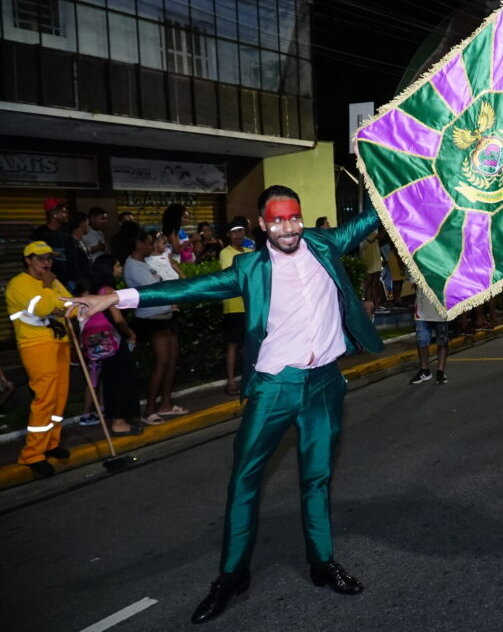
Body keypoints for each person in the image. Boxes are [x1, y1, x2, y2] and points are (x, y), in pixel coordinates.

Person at [67, 185, 384, 624]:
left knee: (318, 479)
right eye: (278, 221)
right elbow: (188, 288)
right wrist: (115, 297)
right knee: (245, 481)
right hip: (274, 388)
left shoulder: (325, 243)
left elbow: (378, 211)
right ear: (263, 224)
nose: (289, 228)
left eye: (294, 218)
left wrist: (417, 165)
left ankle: (321, 562)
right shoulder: (248, 268)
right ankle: (232, 577)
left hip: (325, 384)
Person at [5, 242, 73, 477]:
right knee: (45, 397)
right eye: (41, 258)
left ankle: (51, 443)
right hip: (35, 345)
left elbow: (71, 306)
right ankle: (32, 454)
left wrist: (55, 299)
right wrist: (48, 288)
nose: (46, 263)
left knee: (59, 396)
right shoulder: (18, 284)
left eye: (49, 259)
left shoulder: (51, 281)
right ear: (28, 260)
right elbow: (44, 308)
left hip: (60, 341)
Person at [124, 229, 185, 424]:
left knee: (171, 361)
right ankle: (149, 409)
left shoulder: (143, 263)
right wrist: (172, 301)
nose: (152, 246)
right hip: (152, 319)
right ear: (138, 244)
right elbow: (153, 292)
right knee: (162, 363)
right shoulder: (133, 266)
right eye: (149, 243)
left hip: (165, 316)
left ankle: (165, 404)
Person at [88, 255, 142, 435]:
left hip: (102, 344)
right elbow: (118, 319)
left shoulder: (95, 290)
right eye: (118, 266)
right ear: (109, 270)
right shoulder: (109, 291)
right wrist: (131, 334)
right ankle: (119, 422)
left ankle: (118, 419)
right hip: (116, 343)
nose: (120, 269)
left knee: (111, 380)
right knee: (122, 379)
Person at [219, 217, 252, 396]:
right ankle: (231, 381)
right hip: (234, 305)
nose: (238, 235)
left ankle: (249, 379)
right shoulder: (225, 253)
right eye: (234, 232)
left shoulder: (249, 251)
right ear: (228, 235)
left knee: (249, 344)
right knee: (233, 344)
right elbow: (232, 276)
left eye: (241, 231)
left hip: (251, 305)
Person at [409, 284, 449, 385]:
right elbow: (414, 283)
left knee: (442, 342)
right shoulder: (417, 272)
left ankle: (440, 371)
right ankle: (424, 370)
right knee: (422, 341)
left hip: (441, 309)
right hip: (422, 310)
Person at [31, 198, 75, 291]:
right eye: (64, 212)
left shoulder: (65, 234)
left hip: (65, 281)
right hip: (47, 282)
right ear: (54, 214)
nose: (67, 215)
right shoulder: (40, 234)